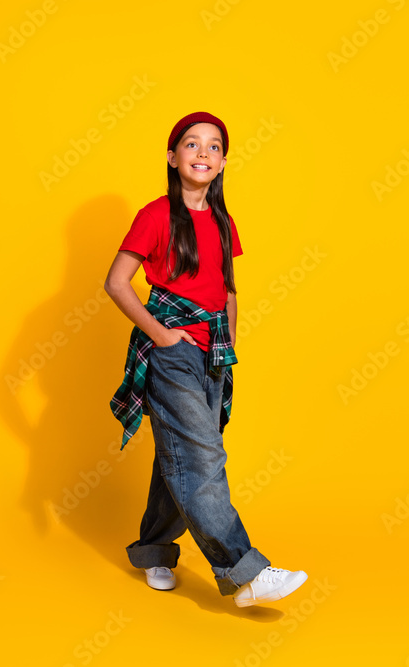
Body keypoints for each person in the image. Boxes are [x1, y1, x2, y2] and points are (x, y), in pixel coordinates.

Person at [104, 111, 307, 608]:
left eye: (213, 146)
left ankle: (153, 549)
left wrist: (228, 339)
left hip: (212, 354)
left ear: (221, 163)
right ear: (172, 158)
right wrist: (162, 336)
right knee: (203, 458)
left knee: (179, 455)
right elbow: (116, 282)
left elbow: (227, 288)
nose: (202, 153)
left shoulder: (222, 221)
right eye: (191, 144)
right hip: (172, 357)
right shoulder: (155, 216)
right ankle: (245, 572)